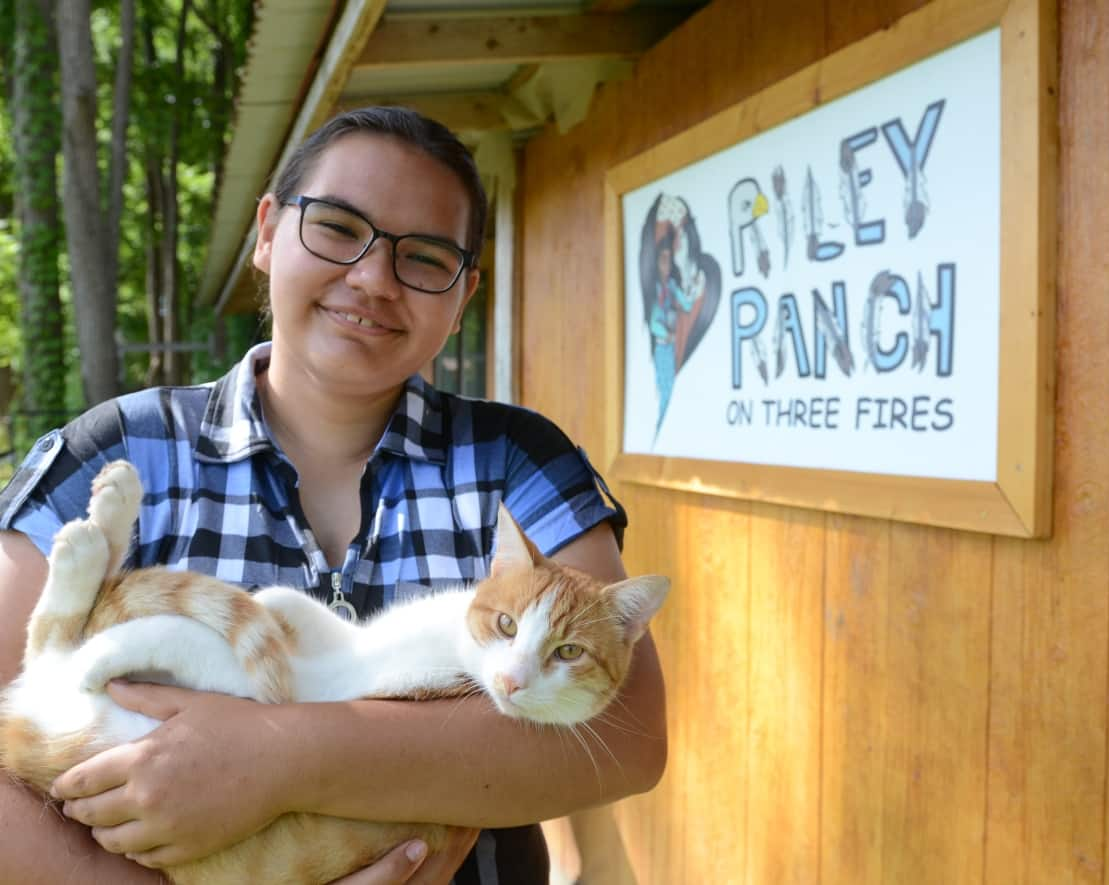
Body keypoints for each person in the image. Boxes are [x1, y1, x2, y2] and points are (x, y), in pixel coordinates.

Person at [0, 106, 667, 884]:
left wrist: (279, 758)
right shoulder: (111, 453)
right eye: (339, 228)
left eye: (424, 257)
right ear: (268, 232)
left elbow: (629, 738)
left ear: (464, 295)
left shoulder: (518, 462)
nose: (374, 278)